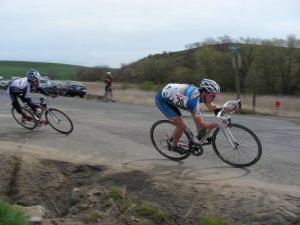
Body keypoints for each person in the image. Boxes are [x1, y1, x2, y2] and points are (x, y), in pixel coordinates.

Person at [155, 78, 238, 153]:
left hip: (176, 96)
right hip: (162, 100)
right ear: (204, 92)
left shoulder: (202, 94)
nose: (214, 98)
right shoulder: (193, 101)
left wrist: (229, 108)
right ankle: (173, 145)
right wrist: (219, 125)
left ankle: (200, 136)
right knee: (182, 125)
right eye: (212, 95)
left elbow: (213, 108)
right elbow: (200, 124)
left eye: (215, 95)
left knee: (198, 113)